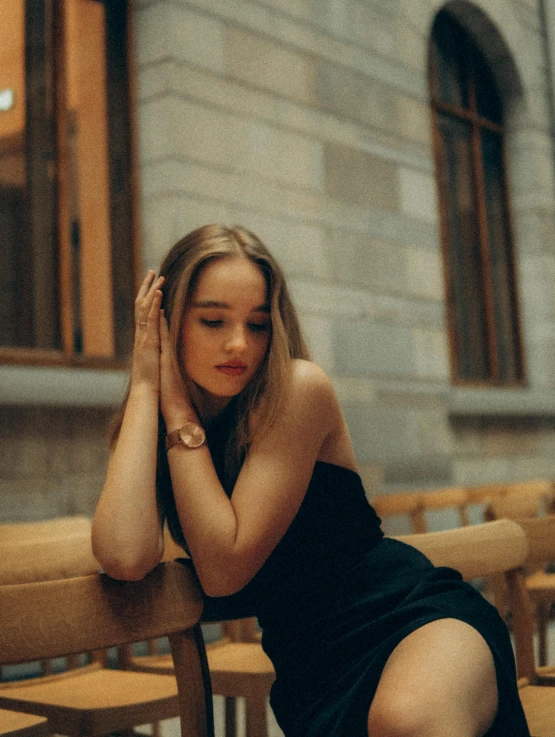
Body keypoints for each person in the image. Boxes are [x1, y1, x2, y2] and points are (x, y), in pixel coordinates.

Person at [92, 224, 529, 737]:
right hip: (312, 668)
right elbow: (124, 553)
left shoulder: (297, 389)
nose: (238, 344)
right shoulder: (168, 426)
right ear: (165, 325)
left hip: (413, 618)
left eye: (257, 325)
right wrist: (147, 384)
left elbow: (225, 568)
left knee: (407, 721)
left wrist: (178, 412)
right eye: (213, 320)